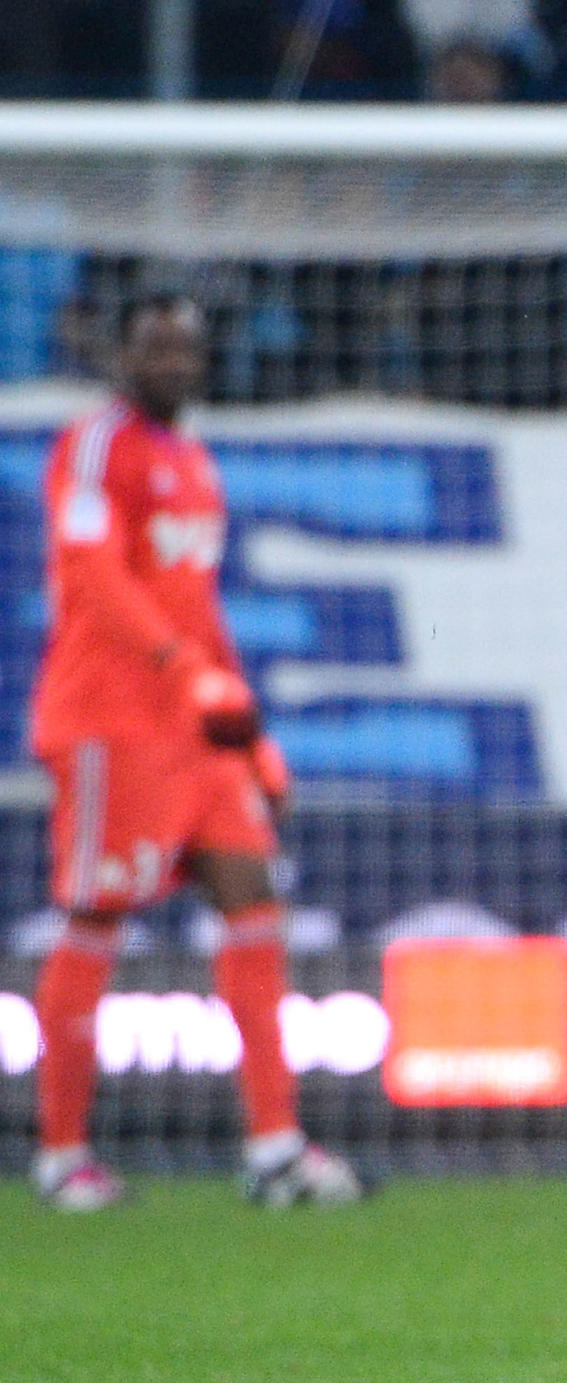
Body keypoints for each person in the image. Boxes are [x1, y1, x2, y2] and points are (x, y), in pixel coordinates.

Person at [26, 297, 365, 1214]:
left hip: (194, 729)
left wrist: (248, 729)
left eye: (187, 346)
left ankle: (274, 1147)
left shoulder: (196, 463)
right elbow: (93, 573)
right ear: (120, 353)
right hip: (111, 722)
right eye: (154, 345)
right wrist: (181, 668)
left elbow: (197, 606)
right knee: (99, 917)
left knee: (254, 901)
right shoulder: (96, 447)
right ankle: (62, 1156)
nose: (174, 360)